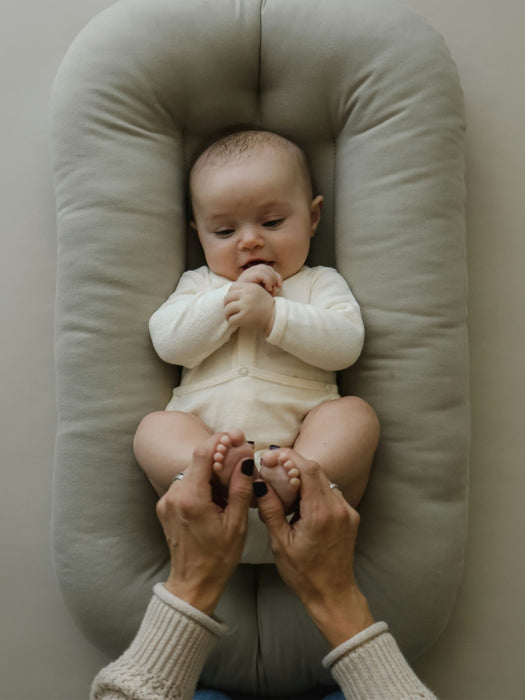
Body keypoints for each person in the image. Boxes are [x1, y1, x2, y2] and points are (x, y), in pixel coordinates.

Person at [133, 130, 380, 558]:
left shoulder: (318, 282)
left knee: (355, 417)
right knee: (152, 430)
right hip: (209, 482)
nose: (249, 241)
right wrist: (226, 303)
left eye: (271, 223)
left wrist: (273, 315)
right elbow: (169, 342)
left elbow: (345, 345)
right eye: (225, 231)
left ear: (313, 217)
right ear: (200, 234)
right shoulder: (200, 285)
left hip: (302, 467)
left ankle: (302, 477)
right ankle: (210, 475)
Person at [90, 432, 436, 699]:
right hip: (302, 507)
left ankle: (221, 479)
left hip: (224, 503)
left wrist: (190, 588)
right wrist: (338, 598)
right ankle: (282, 481)